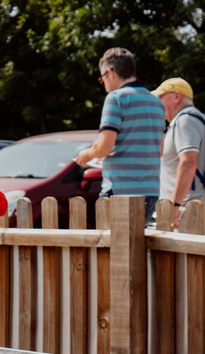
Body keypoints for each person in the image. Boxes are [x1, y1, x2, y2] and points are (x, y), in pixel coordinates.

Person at [75, 47, 166, 223]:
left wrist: (86, 155)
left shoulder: (116, 98)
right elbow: (160, 149)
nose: (104, 84)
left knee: (117, 248)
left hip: (120, 190)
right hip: (151, 190)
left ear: (110, 73)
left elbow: (104, 147)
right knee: (137, 247)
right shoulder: (156, 103)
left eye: (102, 79)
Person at [152, 77, 205, 234]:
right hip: (197, 205)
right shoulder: (198, 119)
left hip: (189, 207)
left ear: (177, 96)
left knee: (185, 259)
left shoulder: (185, 120)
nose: (157, 104)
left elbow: (188, 162)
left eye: (161, 98)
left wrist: (175, 205)